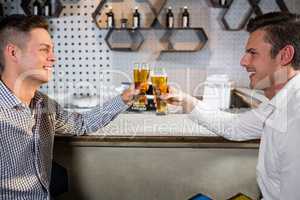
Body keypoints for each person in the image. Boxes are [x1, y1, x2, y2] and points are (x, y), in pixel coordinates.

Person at [162, 12, 300, 200]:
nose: (243, 61)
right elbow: (234, 127)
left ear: (285, 55)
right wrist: (184, 100)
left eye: (253, 53)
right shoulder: (280, 103)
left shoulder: (296, 115)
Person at [0, 14, 137, 199]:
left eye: (52, 50)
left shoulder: (44, 104)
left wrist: (125, 98)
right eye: (43, 50)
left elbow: (81, 124)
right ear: (13, 52)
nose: (53, 58)